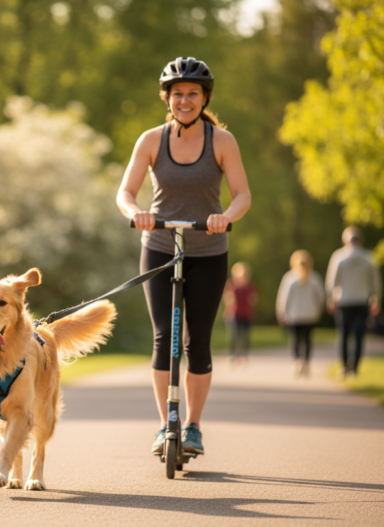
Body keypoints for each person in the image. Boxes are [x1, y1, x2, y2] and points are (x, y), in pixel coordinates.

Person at [115, 57, 251, 456]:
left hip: (209, 250)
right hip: (160, 247)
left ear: (205, 97)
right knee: (164, 340)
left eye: (193, 94)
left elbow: (242, 194)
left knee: (198, 343)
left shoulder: (221, 141)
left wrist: (225, 217)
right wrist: (136, 214)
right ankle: (165, 425)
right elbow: (125, 192)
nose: (185, 101)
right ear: (167, 99)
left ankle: (192, 426)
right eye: (178, 95)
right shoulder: (151, 140)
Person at [325, 226, 382, 377]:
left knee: (344, 335)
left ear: (345, 240)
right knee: (358, 336)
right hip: (362, 301)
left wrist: (330, 298)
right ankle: (355, 369)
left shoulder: (338, 256)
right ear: (361, 240)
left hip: (343, 301)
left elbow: (331, 281)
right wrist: (376, 299)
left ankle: (345, 367)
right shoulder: (368, 257)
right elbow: (376, 282)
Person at [276, 250, 324, 378]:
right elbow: (320, 298)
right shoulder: (315, 278)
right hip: (310, 315)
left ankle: (297, 361)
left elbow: (284, 298)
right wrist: (317, 309)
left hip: (294, 315)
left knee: (296, 340)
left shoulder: (289, 278)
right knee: (307, 340)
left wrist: (281, 312)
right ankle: (306, 363)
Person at [223, 262, 257, 366]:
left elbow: (254, 300)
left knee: (245, 336)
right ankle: (232, 355)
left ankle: (243, 355)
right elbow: (227, 299)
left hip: (246, 314)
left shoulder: (250, 287)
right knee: (233, 335)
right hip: (234, 315)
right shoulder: (232, 286)